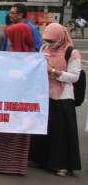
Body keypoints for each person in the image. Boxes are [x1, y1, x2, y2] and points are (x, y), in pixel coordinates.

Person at [29, 23, 82, 177]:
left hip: (63, 97)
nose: (49, 44)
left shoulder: (72, 52)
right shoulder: (44, 49)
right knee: (44, 129)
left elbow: (74, 77)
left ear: (60, 38)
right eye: (47, 40)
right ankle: (41, 159)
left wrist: (53, 71)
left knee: (61, 133)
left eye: (52, 41)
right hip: (45, 94)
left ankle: (62, 164)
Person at [0, 23, 35, 176]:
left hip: (18, 104)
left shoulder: (33, 59)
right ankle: (1, 164)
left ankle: (7, 165)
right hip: (6, 102)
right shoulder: (12, 54)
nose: (8, 40)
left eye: (11, 36)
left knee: (13, 134)